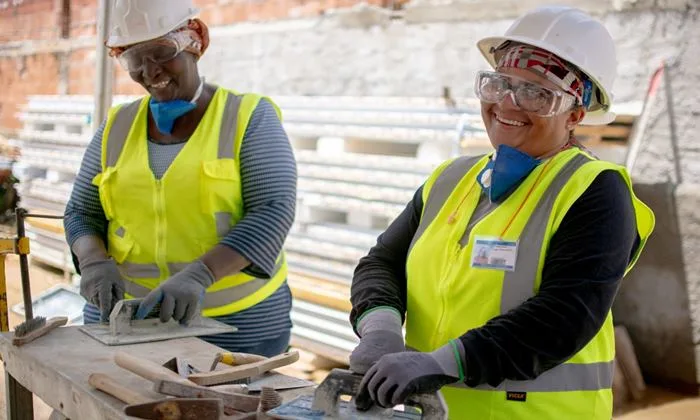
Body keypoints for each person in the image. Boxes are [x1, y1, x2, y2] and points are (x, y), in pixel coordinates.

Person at [348, 5, 655, 419]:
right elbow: (382, 262)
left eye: (537, 93)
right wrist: (380, 329)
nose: (508, 104)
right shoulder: (450, 179)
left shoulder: (596, 190)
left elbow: (565, 316)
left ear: (576, 115)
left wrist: (441, 363)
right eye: (499, 85)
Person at [64, 0, 297, 357]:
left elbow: (272, 209)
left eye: (161, 51)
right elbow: (81, 211)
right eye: (133, 60)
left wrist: (201, 274)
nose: (150, 71)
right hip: (127, 317)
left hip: (234, 322)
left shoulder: (247, 117)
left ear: (196, 38)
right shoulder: (117, 127)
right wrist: (93, 260)